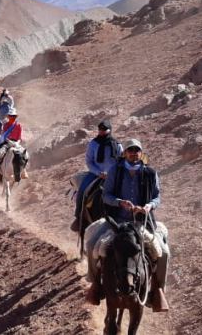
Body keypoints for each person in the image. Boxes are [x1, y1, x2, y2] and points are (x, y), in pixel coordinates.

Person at [83, 139, 170, 312]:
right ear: (125, 153)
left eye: (136, 150)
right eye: (130, 150)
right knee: (92, 244)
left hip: (142, 223)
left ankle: (157, 290)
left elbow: (157, 197)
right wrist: (120, 202)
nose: (133, 153)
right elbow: (106, 195)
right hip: (117, 222)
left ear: (141, 153)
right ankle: (96, 285)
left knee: (164, 253)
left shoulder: (150, 173)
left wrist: (148, 206)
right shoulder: (115, 171)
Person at [70, 120, 123, 232]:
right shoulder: (93, 144)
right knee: (83, 190)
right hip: (96, 174)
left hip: (113, 176)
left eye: (104, 130)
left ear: (110, 130)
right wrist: (99, 173)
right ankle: (79, 217)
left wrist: (113, 174)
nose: (102, 132)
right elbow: (89, 162)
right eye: (100, 130)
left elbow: (121, 162)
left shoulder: (117, 145)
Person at [0, 108, 22, 175]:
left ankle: (23, 171)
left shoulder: (18, 126)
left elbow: (20, 137)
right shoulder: (6, 125)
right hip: (7, 142)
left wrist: (17, 143)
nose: (13, 117)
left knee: (23, 155)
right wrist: (9, 141)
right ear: (8, 117)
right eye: (11, 116)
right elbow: (3, 136)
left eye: (14, 116)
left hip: (16, 143)